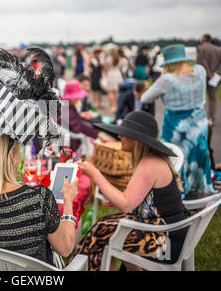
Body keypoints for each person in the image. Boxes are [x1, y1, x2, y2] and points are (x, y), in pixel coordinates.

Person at [71, 111, 188, 271]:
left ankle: (77, 266)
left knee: (100, 234)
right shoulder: (150, 159)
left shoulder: (150, 163)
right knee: (102, 225)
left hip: (165, 244)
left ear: (137, 138)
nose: (120, 136)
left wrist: (95, 173)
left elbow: (126, 204)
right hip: (162, 232)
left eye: (124, 134)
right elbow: (132, 199)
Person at [0, 123, 79, 265]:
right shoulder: (39, 199)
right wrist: (68, 200)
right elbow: (65, 249)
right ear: (12, 155)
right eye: (19, 151)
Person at [141, 44, 214, 198]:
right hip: (200, 124)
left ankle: (177, 196)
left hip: (177, 128)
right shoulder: (200, 71)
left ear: (168, 63)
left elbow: (145, 98)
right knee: (199, 159)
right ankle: (200, 197)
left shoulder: (167, 79)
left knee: (174, 161)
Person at [61, 80, 115, 155]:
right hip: (71, 145)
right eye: (76, 96)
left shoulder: (66, 105)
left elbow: (73, 120)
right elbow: (78, 126)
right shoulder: (67, 107)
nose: (78, 98)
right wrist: (99, 134)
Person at [196, 34, 221, 123]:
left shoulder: (200, 48)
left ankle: (201, 118)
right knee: (213, 99)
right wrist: (215, 73)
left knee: (200, 98)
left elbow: (201, 62)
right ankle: (211, 118)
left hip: (204, 77)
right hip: (214, 77)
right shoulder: (218, 49)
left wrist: (208, 73)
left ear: (204, 40)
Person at [103, 48, 124, 113]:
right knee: (117, 92)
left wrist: (105, 76)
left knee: (111, 92)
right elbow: (121, 69)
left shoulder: (108, 59)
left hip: (111, 75)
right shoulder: (120, 59)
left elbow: (106, 69)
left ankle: (112, 107)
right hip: (118, 75)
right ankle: (116, 106)